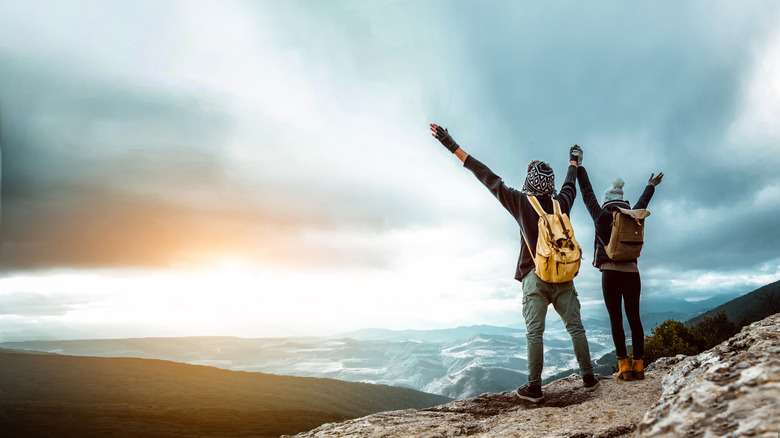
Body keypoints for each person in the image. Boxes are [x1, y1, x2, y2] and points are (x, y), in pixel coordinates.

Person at [429, 123, 598, 403]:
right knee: (575, 327)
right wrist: (573, 161)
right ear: (550, 184)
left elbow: (487, 177)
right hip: (563, 275)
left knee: (535, 333)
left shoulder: (520, 202)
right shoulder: (561, 203)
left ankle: (534, 388)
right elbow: (571, 185)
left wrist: (451, 145)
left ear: (529, 181)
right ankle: (589, 377)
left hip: (534, 277)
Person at [575, 153, 663, 381]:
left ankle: (624, 367)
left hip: (610, 274)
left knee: (616, 320)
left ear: (607, 200)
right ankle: (640, 365)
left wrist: (579, 167)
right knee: (634, 318)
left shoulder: (601, 214)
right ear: (623, 201)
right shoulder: (633, 215)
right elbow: (644, 202)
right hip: (633, 273)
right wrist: (650, 185)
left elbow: (586, 192)